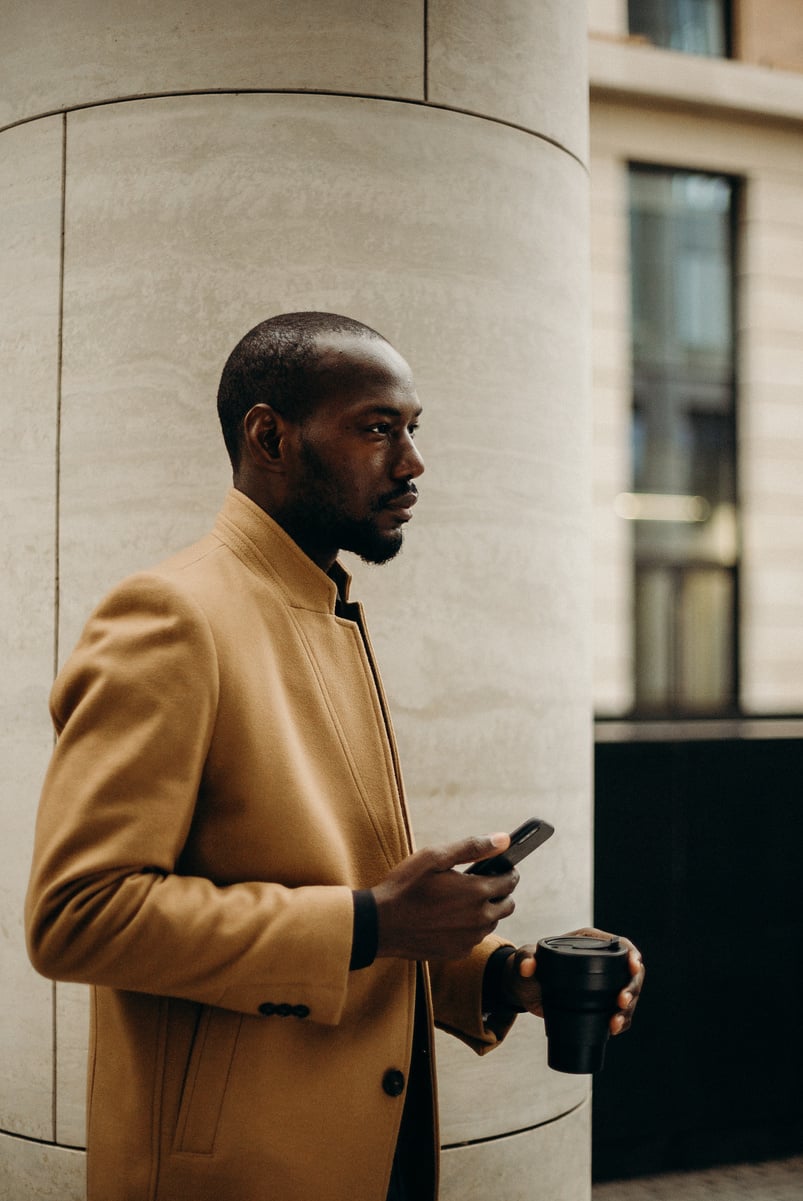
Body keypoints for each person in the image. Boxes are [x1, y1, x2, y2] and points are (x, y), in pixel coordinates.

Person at [25, 312, 643, 1201]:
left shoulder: (324, 607)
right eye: (377, 427)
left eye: (413, 429)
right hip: (237, 1174)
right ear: (269, 435)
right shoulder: (171, 616)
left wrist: (502, 975)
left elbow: (329, 891)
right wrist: (373, 923)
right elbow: (78, 914)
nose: (412, 462)